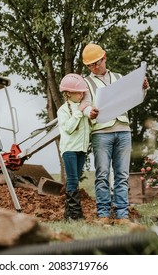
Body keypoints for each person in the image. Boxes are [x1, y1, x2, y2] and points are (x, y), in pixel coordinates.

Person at [81, 43, 149, 225]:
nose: (95, 67)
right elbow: (83, 104)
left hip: (123, 131)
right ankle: (103, 215)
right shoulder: (85, 82)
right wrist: (89, 112)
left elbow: (135, 98)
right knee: (102, 174)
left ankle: (122, 216)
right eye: (91, 65)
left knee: (122, 175)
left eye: (98, 62)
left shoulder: (119, 78)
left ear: (105, 58)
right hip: (101, 132)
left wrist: (143, 89)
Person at [57, 73, 91, 220]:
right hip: (69, 150)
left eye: (83, 91)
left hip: (81, 149)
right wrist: (79, 112)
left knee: (75, 180)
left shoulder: (83, 107)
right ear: (68, 93)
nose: (81, 94)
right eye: (78, 92)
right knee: (72, 180)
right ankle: (76, 215)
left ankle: (68, 215)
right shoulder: (63, 110)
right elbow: (69, 128)